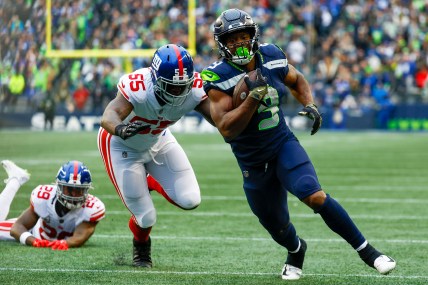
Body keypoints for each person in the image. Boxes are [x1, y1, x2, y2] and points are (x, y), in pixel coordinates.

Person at [201, 9, 396, 280]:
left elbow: (297, 79)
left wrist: (310, 104)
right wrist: (252, 99)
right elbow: (225, 128)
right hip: (253, 162)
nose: (238, 43)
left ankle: (369, 253)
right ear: (222, 43)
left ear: (253, 36)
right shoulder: (217, 75)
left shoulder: (270, 55)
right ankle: (296, 249)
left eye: (243, 36)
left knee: (312, 193)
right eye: (231, 39)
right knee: (276, 226)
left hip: (282, 144)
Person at [97, 44, 212, 268]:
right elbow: (108, 115)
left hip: (159, 140)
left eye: (183, 86)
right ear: (156, 79)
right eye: (172, 86)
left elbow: (220, 120)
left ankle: (148, 180)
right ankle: (141, 249)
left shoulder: (197, 87)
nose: (179, 92)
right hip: (122, 146)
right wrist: (120, 128)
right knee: (146, 216)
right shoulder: (139, 86)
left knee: (191, 199)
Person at [0, 160, 105, 250]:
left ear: (87, 189)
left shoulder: (93, 208)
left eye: (79, 190)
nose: (74, 195)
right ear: (58, 187)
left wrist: (65, 243)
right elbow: (17, 227)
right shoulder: (44, 196)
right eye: (69, 189)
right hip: (34, 231)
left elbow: (80, 236)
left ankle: (17, 178)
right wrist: (32, 240)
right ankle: (16, 180)